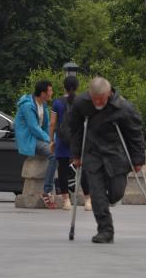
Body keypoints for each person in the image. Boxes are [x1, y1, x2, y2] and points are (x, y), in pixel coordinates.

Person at [69, 76, 145, 243]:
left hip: (116, 152)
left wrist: (138, 160)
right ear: (89, 93)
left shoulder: (124, 108)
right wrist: (75, 154)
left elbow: (135, 134)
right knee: (96, 193)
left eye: (101, 99)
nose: (97, 102)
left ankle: (105, 201)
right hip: (93, 152)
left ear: (109, 93)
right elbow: (74, 129)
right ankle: (105, 230)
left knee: (116, 193)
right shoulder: (81, 103)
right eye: (94, 99)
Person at [49, 75, 91, 211]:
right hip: (78, 140)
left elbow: (53, 123)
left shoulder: (57, 102)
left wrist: (51, 140)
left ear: (64, 87)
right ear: (78, 87)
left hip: (62, 139)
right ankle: (88, 200)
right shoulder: (83, 101)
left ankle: (66, 201)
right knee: (82, 169)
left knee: (62, 170)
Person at [14, 79, 58, 208]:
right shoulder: (27, 105)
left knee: (61, 150)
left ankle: (60, 189)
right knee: (54, 155)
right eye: (50, 91)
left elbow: (47, 127)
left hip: (39, 138)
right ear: (43, 93)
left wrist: (55, 139)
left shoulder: (43, 105)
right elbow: (34, 128)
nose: (52, 93)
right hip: (30, 139)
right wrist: (50, 141)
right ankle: (47, 191)